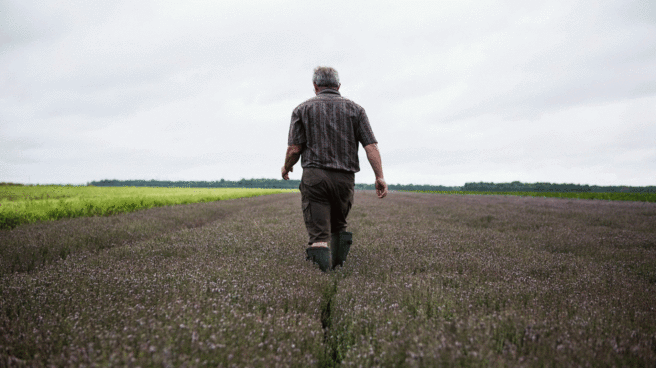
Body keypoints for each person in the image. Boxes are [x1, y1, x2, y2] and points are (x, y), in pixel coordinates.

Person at [281, 66, 388, 272]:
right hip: (344, 179)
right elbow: (371, 146)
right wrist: (379, 176)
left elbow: (294, 148)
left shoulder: (302, 109)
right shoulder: (356, 110)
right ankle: (338, 272)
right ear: (338, 85)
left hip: (315, 177)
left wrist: (286, 167)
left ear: (315, 86)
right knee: (339, 227)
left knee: (319, 235)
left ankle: (321, 277)